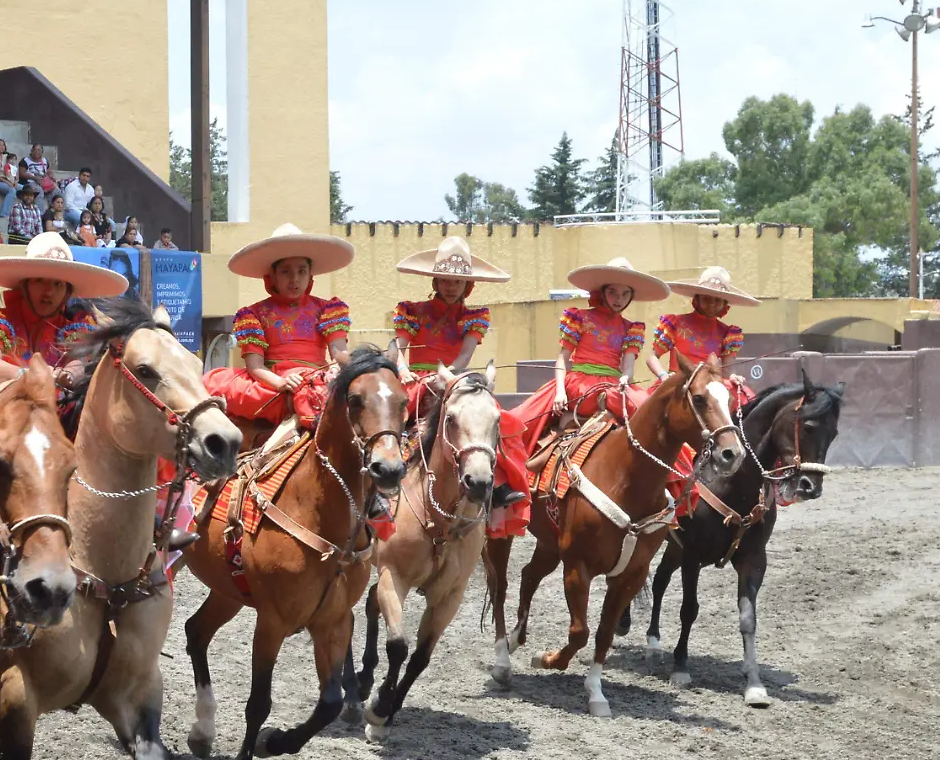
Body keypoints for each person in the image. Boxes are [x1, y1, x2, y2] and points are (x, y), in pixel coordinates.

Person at [388, 234, 529, 533]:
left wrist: (447, 377)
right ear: (435, 281)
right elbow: (396, 348)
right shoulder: (411, 310)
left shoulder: (474, 316)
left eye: (458, 281)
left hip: (452, 379)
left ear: (468, 285)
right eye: (445, 280)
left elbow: (465, 355)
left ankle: (500, 486)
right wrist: (402, 369)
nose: (451, 286)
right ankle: (380, 486)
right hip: (415, 382)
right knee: (386, 426)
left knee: (494, 424)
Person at [506, 257, 668, 456]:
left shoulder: (631, 328)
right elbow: (562, 359)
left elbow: (628, 364)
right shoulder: (580, 317)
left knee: (651, 410)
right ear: (602, 291)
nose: (619, 299)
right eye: (613, 292)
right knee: (520, 421)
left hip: (615, 385)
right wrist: (559, 392)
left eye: (625, 294)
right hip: (580, 384)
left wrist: (625, 377)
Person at [202, 223, 356, 432]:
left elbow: (339, 354)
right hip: (273, 384)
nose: (294, 279)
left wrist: (352, 367)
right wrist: (282, 383)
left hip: (315, 380)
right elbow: (255, 367)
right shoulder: (254, 314)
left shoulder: (328, 309)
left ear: (310, 276)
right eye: (286, 272)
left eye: (301, 271)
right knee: (211, 386)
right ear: (272, 276)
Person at [651, 266, 760, 514]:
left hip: (712, 387)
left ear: (725, 303)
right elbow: (652, 357)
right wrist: (663, 375)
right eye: (707, 297)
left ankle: (752, 470)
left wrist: (734, 377)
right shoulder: (674, 323)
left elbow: (725, 370)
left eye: (717, 299)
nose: (712, 304)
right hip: (680, 386)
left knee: (749, 402)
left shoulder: (728, 332)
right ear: (696, 298)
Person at [0, 230, 124, 400]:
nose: (49, 291)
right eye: (40, 281)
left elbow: (78, 363)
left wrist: (68, 375)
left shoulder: (73, 328)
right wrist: (30, 375)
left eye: (58, 284)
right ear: (24, 285)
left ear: (67, 293)